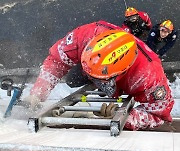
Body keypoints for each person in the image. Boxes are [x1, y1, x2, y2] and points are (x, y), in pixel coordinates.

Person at [24, 21, 174, 131]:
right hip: (90, 66)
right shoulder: (83, 36)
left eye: (103, 80)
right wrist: (38, 92)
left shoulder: (149, 75)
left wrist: (125, 117)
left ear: (122, 71)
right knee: (72, 80)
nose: (98, 83)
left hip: (132, 80)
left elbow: (159, 115)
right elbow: (56, 60)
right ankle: (95, 74)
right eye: (95, 79)